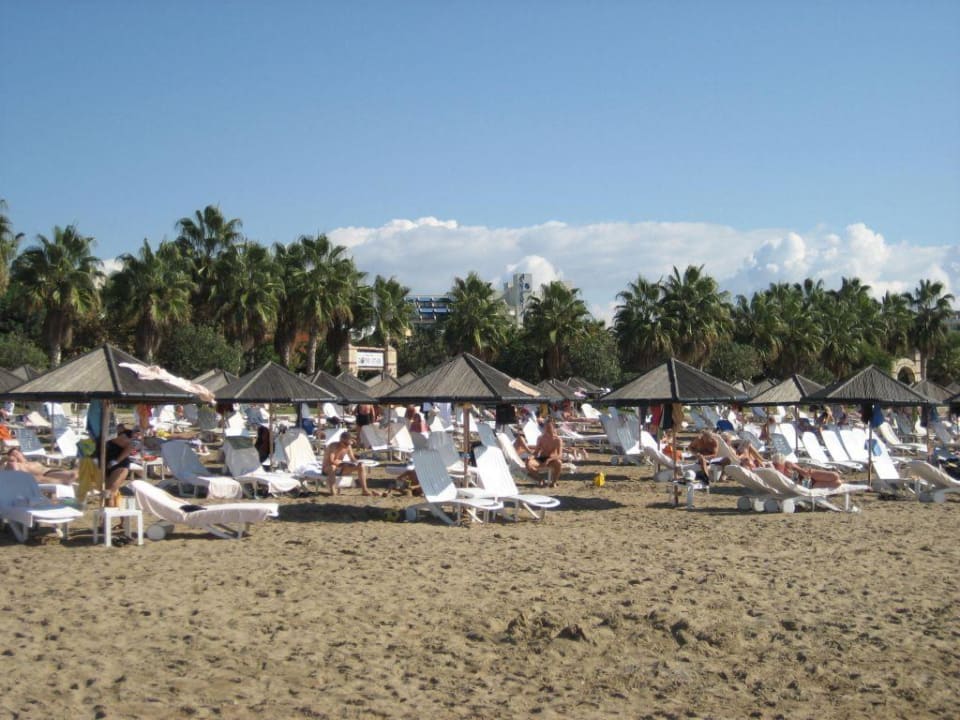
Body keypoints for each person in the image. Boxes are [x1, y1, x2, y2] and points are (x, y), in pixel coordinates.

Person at [1, 447, 77, 485]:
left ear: (21, 453)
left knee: (74, 473)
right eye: (13, 454)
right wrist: (5, 459)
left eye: (17, 453)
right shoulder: (16, 465)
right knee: (72, 475)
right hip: (45, 476)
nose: (16, 455)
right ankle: (64, 482)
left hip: (50, 470)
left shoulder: (32, 462)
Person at [769, 453, 842, 489]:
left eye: (781, 463)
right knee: (838, 483)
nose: (779, 465)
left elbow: (803, 472)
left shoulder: (788, 464)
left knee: (835, 475)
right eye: (777, 464)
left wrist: (805, 474)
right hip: (806, 485)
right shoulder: (774, 470)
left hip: (810, 475)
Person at [525, 419, 563, 487]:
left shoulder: (557, 440)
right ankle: (540, 479)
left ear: (553, 427)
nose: (547, 429)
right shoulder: (541, 438)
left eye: (549, 427)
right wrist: (531, 457)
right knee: (528, 463)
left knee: (559, 463)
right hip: (542, 458)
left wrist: (549, 459)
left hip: (552, 459)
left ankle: (554, 482)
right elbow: (536, 452)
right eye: (546, 427)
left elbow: (560, 455)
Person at [104, 425, 140, 496]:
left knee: (110, 493)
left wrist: (116, 461)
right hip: (106, 463)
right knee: (107, 492)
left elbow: (131, 445)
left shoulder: (123, 436)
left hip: (119, 465)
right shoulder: (104, 435)